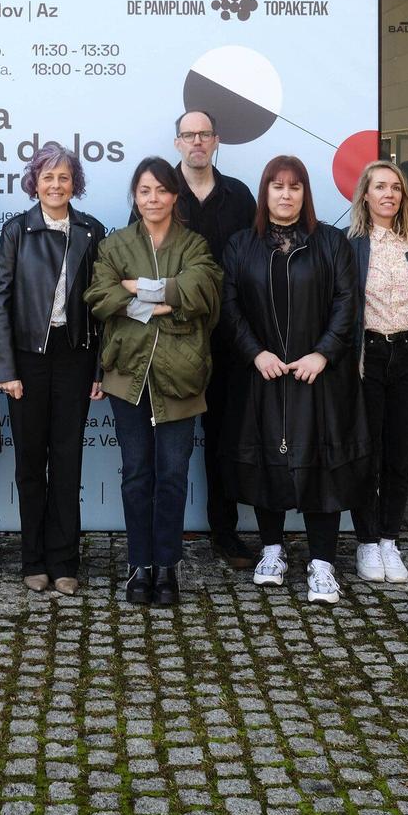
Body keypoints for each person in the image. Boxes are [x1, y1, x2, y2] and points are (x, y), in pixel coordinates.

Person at [224, 155, 372, 605]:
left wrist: (323, 353)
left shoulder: (331, 242)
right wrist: (255, 353)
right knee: (268, 460)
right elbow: (228, 307)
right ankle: (272, 549)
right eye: (277, 186)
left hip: (317, 377)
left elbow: (347, 303)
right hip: (263, 374)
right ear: (264, 192)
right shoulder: (240, 245)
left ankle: (322, 563)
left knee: (320, 465)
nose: (285, 195)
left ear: (305, 193)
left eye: (295, 187)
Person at [86, 157, 222, 605]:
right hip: (127, 375)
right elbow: (100, 295)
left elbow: (203, 288)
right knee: (136, 474)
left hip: (182, 374)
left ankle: (167, 566)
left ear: (175, 195)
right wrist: (163, 296)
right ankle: (139, 564)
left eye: (161, 190)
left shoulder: (195, 244)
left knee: (173, 476)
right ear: (135, 197)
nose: (153, 198)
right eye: (145, 191)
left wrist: (140, 288)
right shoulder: (114, 244)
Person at [0, 143, 107, 594]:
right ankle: (32, 559)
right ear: (34, 182)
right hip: (27, 360)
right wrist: (6, 368)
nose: (55, 185)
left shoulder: (91, 231)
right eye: (47, 177)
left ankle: (65, 562)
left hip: (75, 357)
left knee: (67, 461)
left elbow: (101, 310)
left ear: (74, 183)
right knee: (28, 463)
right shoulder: (17, 231)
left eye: (64, 177)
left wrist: (98, 369)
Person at [345, 160, 408, 586]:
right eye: (379, 186)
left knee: (400, 454)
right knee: (366, 454)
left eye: (395, 188)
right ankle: (366, 540)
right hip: (366, 355)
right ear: (364, 194)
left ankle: (389, 539)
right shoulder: (351, 246)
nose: (388, 194)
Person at [172, 109, 259, 565]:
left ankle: (225, 533)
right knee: (171, 441)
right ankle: (163, 535)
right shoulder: (160, 192)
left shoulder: (241, 196)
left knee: (225, 438)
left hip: (229, 339)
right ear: (178, 143)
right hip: (174, 339)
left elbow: (253, 264)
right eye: (189, 135)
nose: (198, 142)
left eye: (205, 134)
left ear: (217, 140)